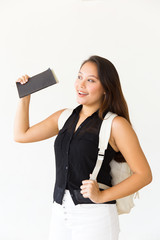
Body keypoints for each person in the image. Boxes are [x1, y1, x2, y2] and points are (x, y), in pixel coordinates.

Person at [14, 55, 152, 240]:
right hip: (59, 213)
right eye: (79, 77)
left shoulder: (116, 125)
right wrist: (25, 98)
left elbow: (144, 175)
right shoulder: (63, 117)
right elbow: (21, 135)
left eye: (90, 80)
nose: (81, 85)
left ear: (106, 88)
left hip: (95, 216)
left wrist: (103, 196)